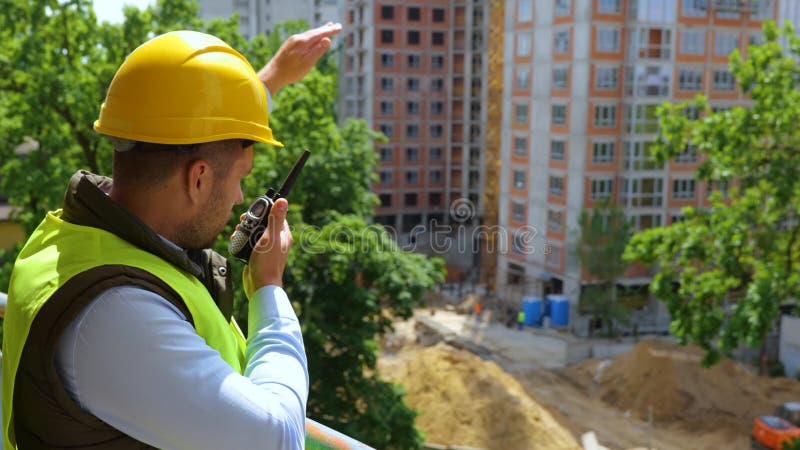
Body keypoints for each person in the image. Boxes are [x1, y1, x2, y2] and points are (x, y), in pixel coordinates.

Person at [2, 23, 341, 450]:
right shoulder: (118, 315)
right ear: (198, 179)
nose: (240, 197)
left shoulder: (73, 236)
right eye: (241, 179)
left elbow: (186, 130)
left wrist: (270, 80)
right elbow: (277, 437)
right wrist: (268, 290)